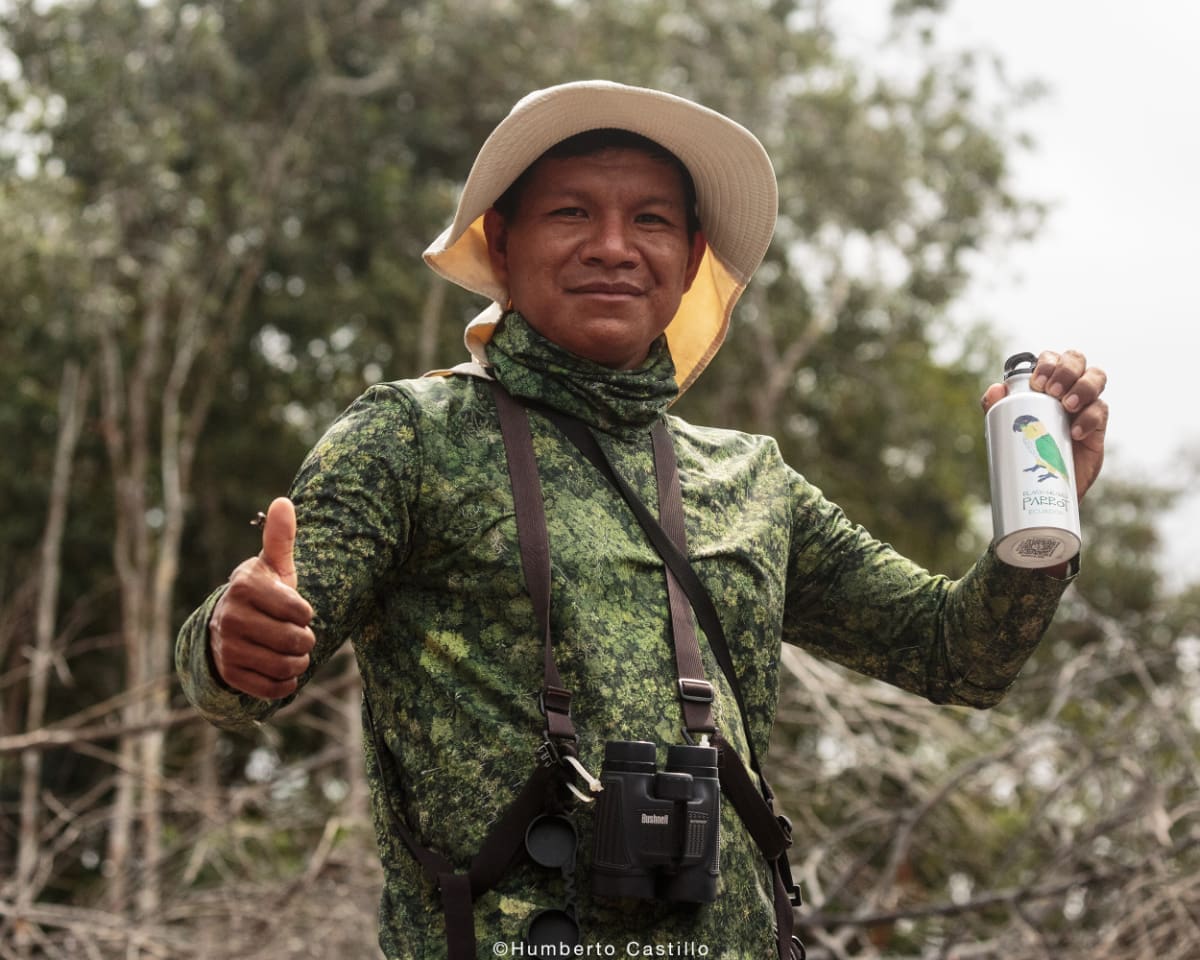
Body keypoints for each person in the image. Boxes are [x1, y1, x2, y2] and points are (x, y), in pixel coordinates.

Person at [176, 80, 1109, 958]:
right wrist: (232, 641)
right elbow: (243, 665)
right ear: (502, 246)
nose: (614, 246)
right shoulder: (411, 437)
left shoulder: (753, 480)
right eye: (573, 212)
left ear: (691, 257)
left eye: (651, 219)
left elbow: (957, 653)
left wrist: (1044, 519)